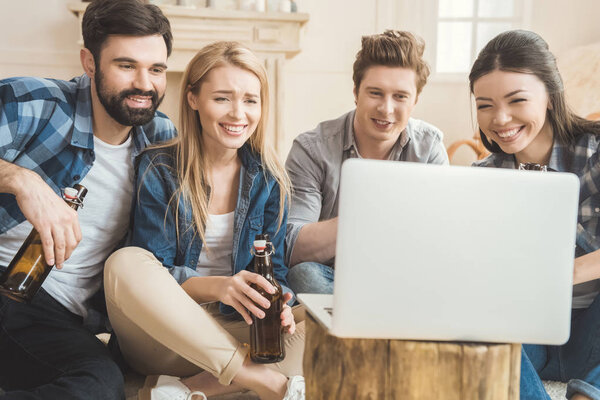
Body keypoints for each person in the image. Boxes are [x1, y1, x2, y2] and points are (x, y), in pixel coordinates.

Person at [103, 41, 305, 400]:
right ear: (193, 98)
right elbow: (155, 272)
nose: (238, 114)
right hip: (164, 335)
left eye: (250, 100)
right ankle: (262, 382)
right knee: (125, 262)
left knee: (332, 321)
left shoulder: (270, 178)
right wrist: (220, 286)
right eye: (222, 98)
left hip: (235, 331)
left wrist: (282, 306)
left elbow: (276, 274)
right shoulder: (160, 167)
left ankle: (188, 390)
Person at [0, 0, 176, 399]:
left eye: (157, 69)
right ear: (90, 62)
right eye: (126, 65)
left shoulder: (161, 138)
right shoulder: (35, 102)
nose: (145, 85)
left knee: (100, 384)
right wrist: (21, 180)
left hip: (56, 316)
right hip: (6, 277)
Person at [470, 29, 600, 400]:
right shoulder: (483, 178)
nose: (501, 118)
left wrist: (564, 273)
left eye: (516, 100)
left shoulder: (595, 151)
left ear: (550, 96)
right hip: (531, 338)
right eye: (485, 105)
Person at [285, 30, 449, 295]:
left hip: (404, 274)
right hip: (333, 277)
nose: (386, 108)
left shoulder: (429, 148)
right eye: (375, 93)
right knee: (304, 275)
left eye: (400, 96)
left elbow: (440, 240)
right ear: (356, 92)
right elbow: (293, 248)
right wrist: (368, 215)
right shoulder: (311, 149)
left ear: (415, 100)